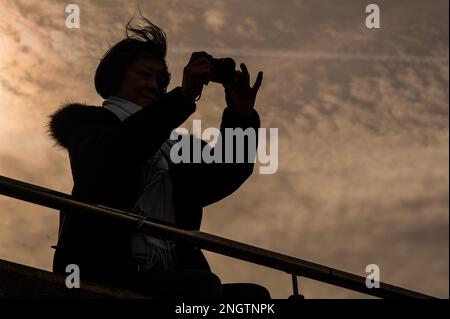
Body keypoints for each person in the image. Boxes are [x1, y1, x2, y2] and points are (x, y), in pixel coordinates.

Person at [49, 16, 269, 299]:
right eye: (144, 75)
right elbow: (118, 152)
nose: (154, 85)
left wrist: (241, 116)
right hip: (103, 269)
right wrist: (183, 96)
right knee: (202, 288)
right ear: (115, 78)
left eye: (162, 80)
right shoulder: (86, 124)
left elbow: (224, 174)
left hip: (169, 271)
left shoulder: (173, 141)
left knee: (254, 299)